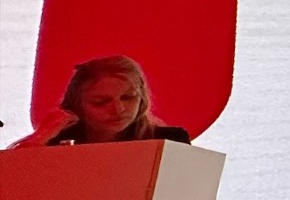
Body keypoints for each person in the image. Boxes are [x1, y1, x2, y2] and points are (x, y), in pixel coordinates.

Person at [7, 56, 191, 148]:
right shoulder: (58, 142)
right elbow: (13, 180)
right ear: (77, 105)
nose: (118, 109)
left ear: (142, 97)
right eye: (101, 102)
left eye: (128, 97)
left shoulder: (169, 140)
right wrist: (41, 137)